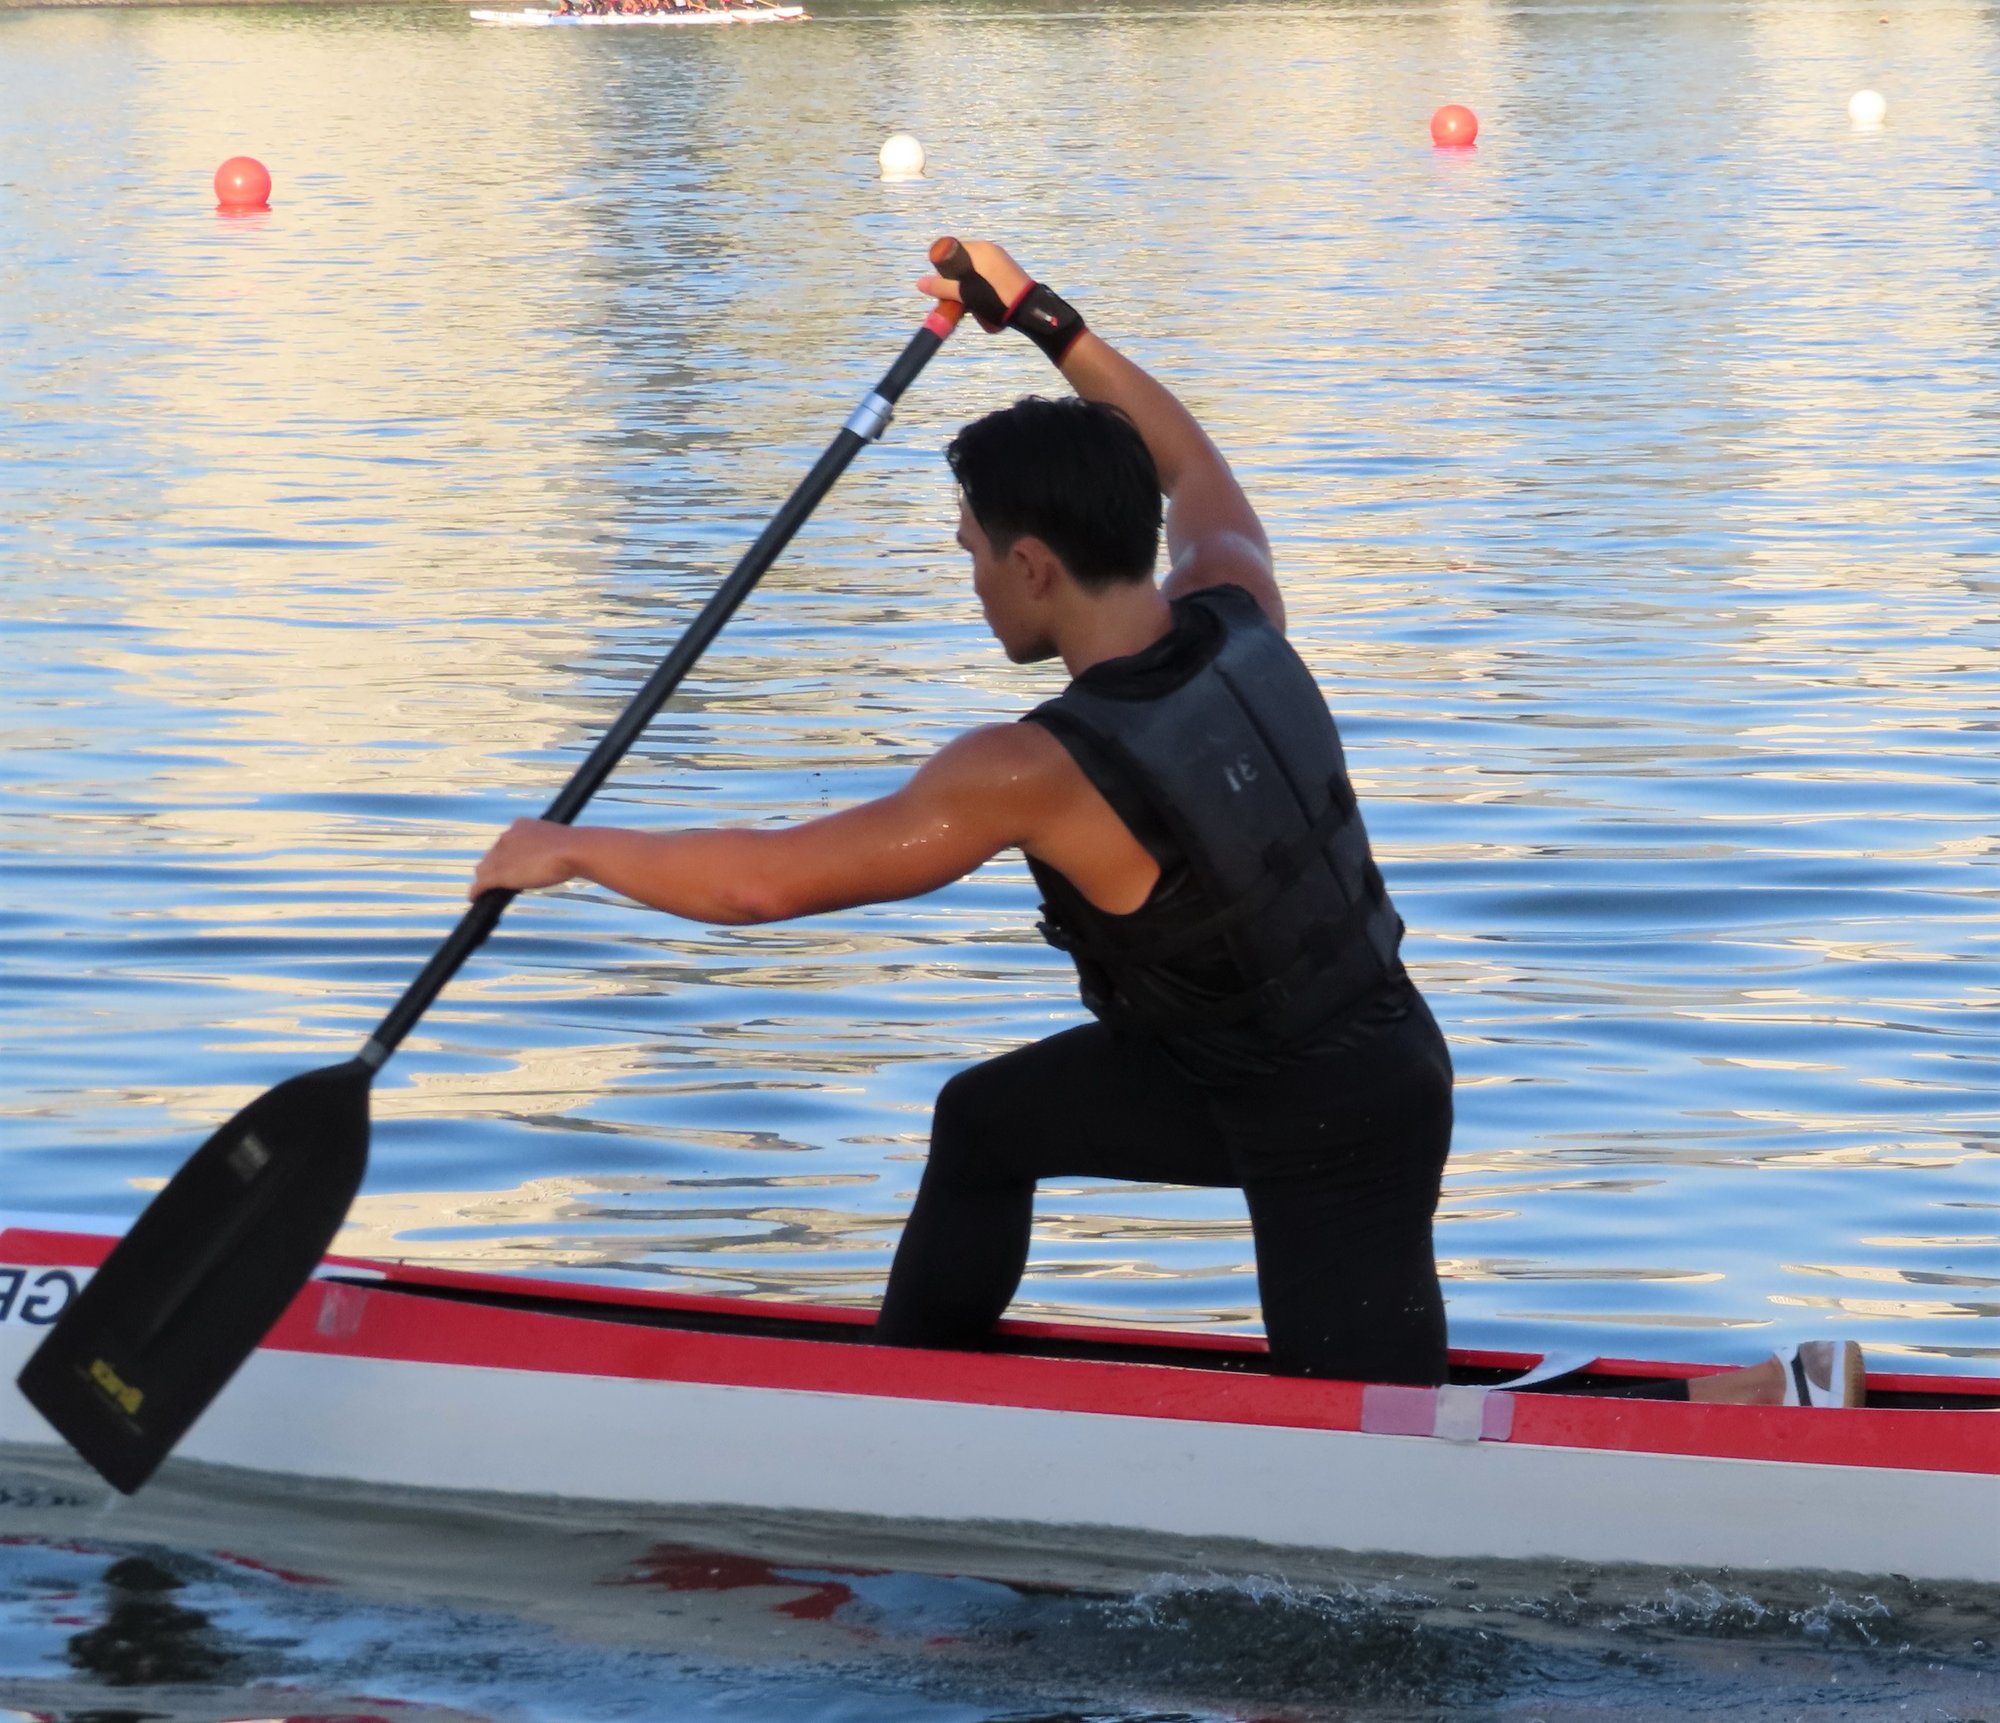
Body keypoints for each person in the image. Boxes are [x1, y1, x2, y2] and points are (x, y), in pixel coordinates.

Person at [468, 239, 1861, 1406]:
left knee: (1384, 1471)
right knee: (985, 1123)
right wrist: (1048, 323)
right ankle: (902, 1411)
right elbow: (1191, 469)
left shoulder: (1036, 767)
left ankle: (1769, 1412)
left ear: (1031, 562)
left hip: (1334, 1120)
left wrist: (574, 852)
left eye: (967, 553)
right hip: (1294, 1062)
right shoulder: (1236, 605)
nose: (969, 583)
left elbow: (770, 887)